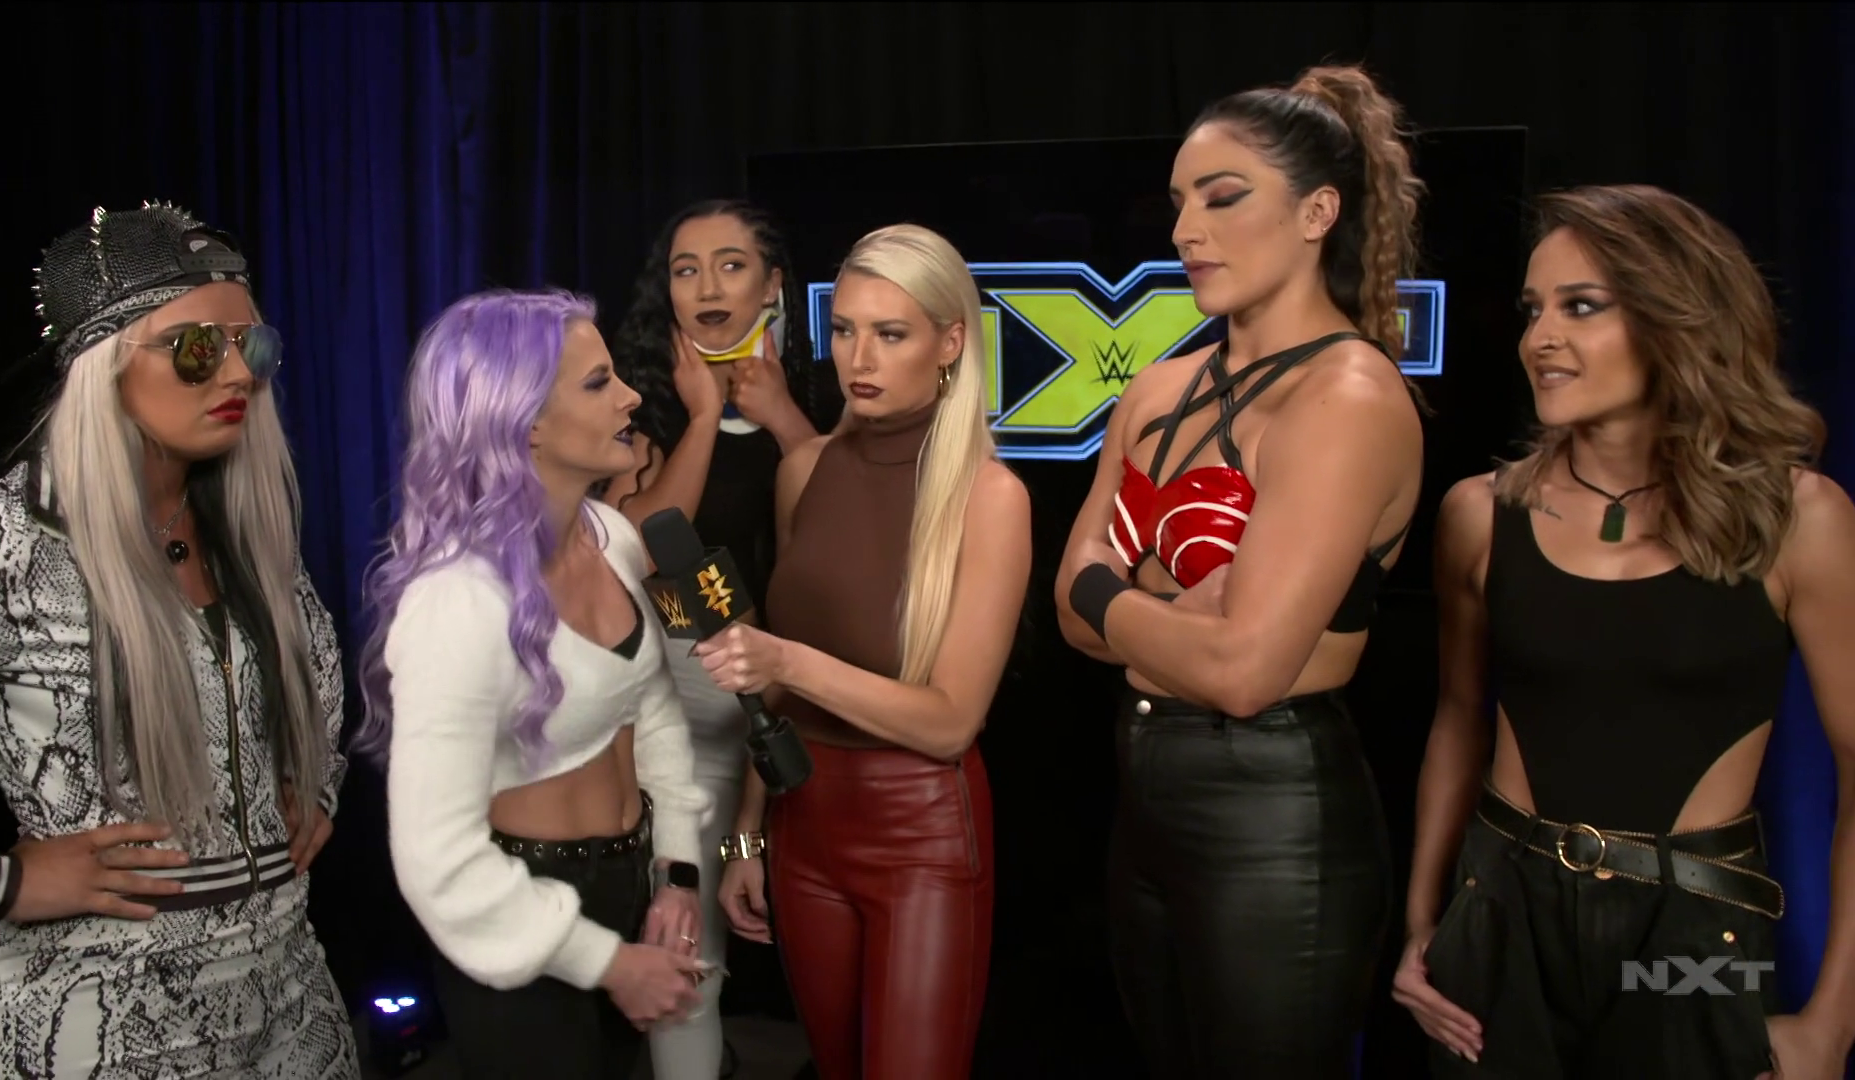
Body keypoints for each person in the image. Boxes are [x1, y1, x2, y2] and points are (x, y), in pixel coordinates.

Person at [1391, 185, 1855, 1079]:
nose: (1539, 338)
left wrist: (1833, 1025)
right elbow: (1457, 719)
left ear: (1675, 317)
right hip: (1501, 912)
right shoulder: (1480, 517)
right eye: (1533, 310)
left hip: (1689, 935)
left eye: (1581, 307)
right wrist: (1423, 927)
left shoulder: (1801, 520)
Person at [1055, 64, 1428, 1076]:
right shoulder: (1159, 388)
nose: (1186, 230)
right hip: (1144, 804)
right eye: (1180, 202)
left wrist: (1109, 586)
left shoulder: (1346, 396)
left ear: (1317, 213)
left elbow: (1243, 673)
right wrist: (1161, 613)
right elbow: (1067, 610)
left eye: (1222, 199)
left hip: (1276, 822)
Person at [0, 202, 357, 1077]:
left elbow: (317, 668)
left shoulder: (242, 530)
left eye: (253, 347)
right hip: (93, 1016)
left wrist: (316, 785)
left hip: (290, 998)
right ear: (104, 364)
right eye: (196, 348)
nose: (237, 373)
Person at [692, 223, 1031, 1080]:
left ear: (950, 343)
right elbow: (771, 698)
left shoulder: (989, 498)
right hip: (802, 826)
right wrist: (744, 842)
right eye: (844, 330)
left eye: (891, 333)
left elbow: (950, 722)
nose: (860, 358)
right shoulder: (803, 471)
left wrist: (787, 661)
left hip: (920, 836)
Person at [354, 288, 717, 1080]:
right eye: (598, 383)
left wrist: (676, 871)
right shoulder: (456, 601)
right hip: (518, 913)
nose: (631, 397)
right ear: (524, 422)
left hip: (629, 889)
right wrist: (607, 964)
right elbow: (437, 860)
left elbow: (653, 707)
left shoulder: (612, 535)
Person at [602, 199, 827, 1080]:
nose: (706, 287)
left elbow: (848, 537)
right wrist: (701, 418)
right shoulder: (640, 398)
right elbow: (639, 542)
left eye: (731, 265)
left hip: (793, 702)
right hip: (672, 701)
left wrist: (783, 418)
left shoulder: (825, 393)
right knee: (685, 934)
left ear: (773, 285)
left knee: (776, 892)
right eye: (686, 268)